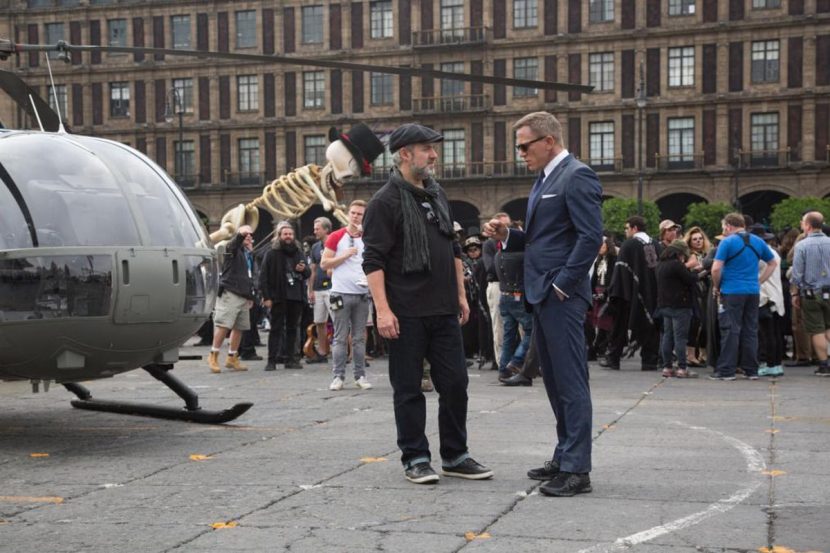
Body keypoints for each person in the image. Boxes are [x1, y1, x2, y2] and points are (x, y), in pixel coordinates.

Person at [362, 123, 493, 485]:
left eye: (434, 149)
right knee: (408, 389)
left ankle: (455, 455)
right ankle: (416, 456)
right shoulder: (384, 202)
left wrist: (461, 295)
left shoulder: (437, 194)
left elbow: (452, 246)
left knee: (455, 384)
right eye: (426, 149)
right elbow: (372, 260)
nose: (434, 156)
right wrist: (383, 310)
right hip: (404, 312)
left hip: (443, 309)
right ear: (405, 154)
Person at [483, 111, 602, 497]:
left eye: (524, 145)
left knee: (570, 381)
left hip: (559, 296)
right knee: (553, 380)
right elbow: (543, 239)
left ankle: (577, 470)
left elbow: (590, 237)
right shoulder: (545, 179)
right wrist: (509, 234)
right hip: (543, 293)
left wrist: (564, 287)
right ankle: (564, 454)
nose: (520, 153)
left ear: (548, 141)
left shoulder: (576, 174)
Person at [710, 213, 777, 380]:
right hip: (752, 291)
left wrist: (717, 286)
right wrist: (760, 281)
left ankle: (727, 371)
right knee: (750, 330)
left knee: (730, 330)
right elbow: (772, 263)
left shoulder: (727, 242)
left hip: (732, 291)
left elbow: (716, 269)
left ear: (728, 226)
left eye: (723, 227)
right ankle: (751, 370)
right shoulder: (758, 241)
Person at [322, 200, 373, 391]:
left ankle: (360, 376)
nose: (355, 216)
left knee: (359, 338)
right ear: (348, 214)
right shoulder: (336, 236)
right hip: (339, 293)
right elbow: (324, 264)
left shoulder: (368, 238)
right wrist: (345, 255)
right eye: (353, 213)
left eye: (360, 214)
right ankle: (338, 376)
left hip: (362, 294)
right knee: (340, 337)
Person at [603, 216, 660, 371]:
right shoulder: (656, 244)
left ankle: (613, 358)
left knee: (619, 325)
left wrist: (614, 292)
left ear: (634, 228)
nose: (625, 231)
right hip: (653, 293)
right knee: (651, 325)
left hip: (627, 294)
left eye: (626, 228)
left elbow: (620, 271)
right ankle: (650, 360)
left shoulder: (629, 244)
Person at [260, 221, 310, 371]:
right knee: (275, 329)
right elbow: (263, 277)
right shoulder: (271, 253)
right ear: (279, 236)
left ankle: (291, 360)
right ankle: (272, 360)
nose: (288, 237)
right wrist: (267, 297)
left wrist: (303, 269)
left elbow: (307, 273)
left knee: (292, 329)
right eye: (285, 234)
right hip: (278, 296)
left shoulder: (298, 251)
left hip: (296, 296)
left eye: (290, 234)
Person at [208, 225, 256, 374]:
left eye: (250, 234)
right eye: (245, 234)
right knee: (224, 324)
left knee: (239, 327)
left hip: (243, 294)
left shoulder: (248, 253)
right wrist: (240, 235)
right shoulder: (232, 249)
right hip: (231, 292)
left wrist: (250, 295)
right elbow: (233, 244)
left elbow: (249, 276)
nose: (248, 236)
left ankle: (232, 357)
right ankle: (213, 355)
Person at [790, 211, 830, 377]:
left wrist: (795, 293)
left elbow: (797, 274)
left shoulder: (802, 245)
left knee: (817, 330)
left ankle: (823, 365)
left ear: (808, 225)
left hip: (811, 293)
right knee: (829, 327)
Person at [655, 239, 699, 378]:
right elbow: (690, 279)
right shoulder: (676, 265)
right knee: (680, 338)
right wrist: (698, 271)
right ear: (679, 253)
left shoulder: (661, 264)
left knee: (668, 336)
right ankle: (682, 368)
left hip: (665, 305)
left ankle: (667, 367)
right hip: (680, 305)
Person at [683, 226, 712, 366]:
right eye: (695, 239)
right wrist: (703, 271)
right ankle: (691, 354)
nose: (698, 241)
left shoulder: (707, 255)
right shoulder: (688, 255)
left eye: (700, 239)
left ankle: (703, 353)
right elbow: (687, 273)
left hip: (707, 291)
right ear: (690, 241)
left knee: (706, 323)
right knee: (695, 322)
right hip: (694, 291)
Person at [307, 216, 333, 364]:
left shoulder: (335, 243)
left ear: (326, 229)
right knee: (319, 321)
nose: (314, 231)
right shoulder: (315, 247)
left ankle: (344, 351)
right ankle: (323, 351)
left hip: (332, 287)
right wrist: (310, 290)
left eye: (317, 229)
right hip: (318, 289)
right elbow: (313, 269)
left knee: (338, 320)